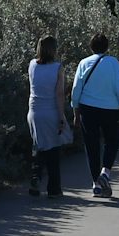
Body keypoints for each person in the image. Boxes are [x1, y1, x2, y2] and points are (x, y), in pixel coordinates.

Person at [71, 33, 119, 198]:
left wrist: (75, 110)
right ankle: (105, 173)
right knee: (112, 141)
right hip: (110, 109)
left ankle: (96, 184)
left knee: (92, 146)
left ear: (91, 47)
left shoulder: (84, 63)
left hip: (88, 108)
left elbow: (76, 89)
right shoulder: (113, 62)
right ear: (107, 47)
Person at [28, 36, 71, 197]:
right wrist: (61, 117)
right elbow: (59, 94)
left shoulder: (32, 65)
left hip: (34, 111)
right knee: (53, 149)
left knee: (38, 145)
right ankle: (54, 189)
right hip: (50, 111)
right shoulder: (58, 68)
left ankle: (35, 177)